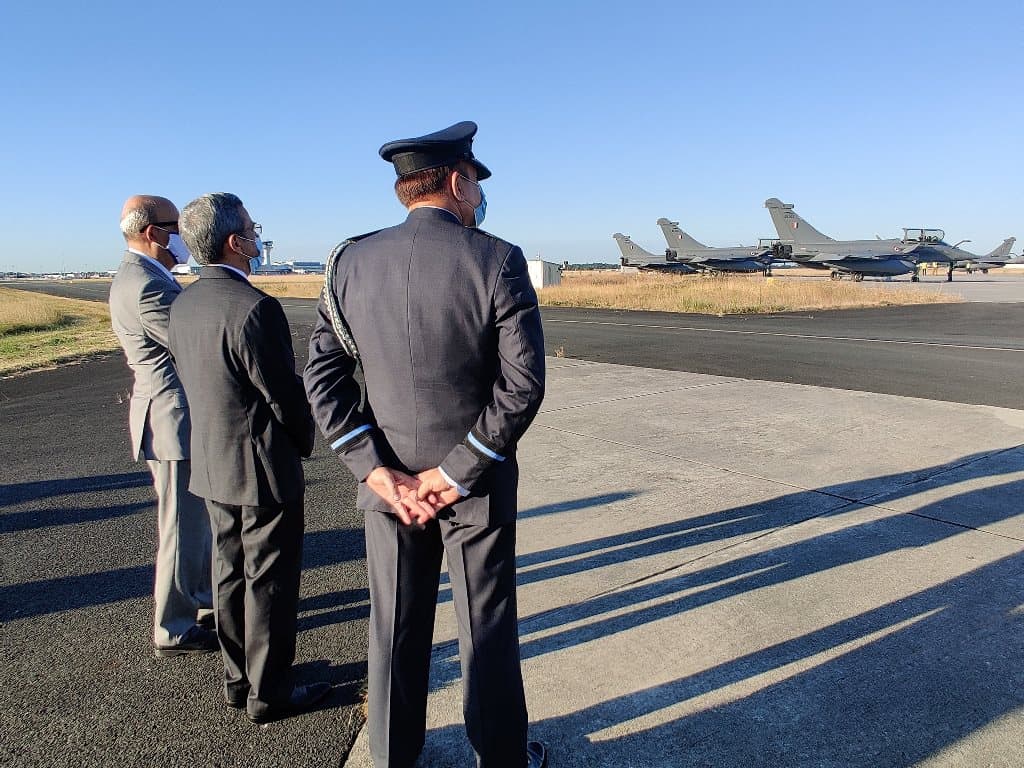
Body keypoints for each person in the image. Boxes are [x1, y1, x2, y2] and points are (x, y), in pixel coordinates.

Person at [304, 122, 547, 767]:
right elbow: (522, 384)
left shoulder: (348, 262)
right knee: (485, 629)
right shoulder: (496, 258)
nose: (478, 199)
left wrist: (372, 468)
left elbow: (322, 374)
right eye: (475, 184)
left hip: (388, 488)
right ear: (456, 180)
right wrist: (458, 470)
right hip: (475, 484)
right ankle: (499, 757)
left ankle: (390, 757)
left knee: (393, 628)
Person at [168, 193, 330, 724]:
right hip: (261, 467)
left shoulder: (183, 303)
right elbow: (282, 393)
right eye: (252, 230)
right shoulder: (256, 307)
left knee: (230, 575)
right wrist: (304, 438)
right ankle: (271, 692)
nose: (258, 238)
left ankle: (239, 680)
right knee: (272, 584)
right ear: (236, 243)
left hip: (212, 462)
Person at [109, 195, 215, 658]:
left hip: (169, 413)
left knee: (195, 523)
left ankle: (206, 600)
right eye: (176, 227)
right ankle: (173, 628)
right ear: (154, 231)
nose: (184, 236)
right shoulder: (147, 285)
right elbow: (189, 341)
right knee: (181, 527)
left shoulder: (143, 275)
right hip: (173, 417)